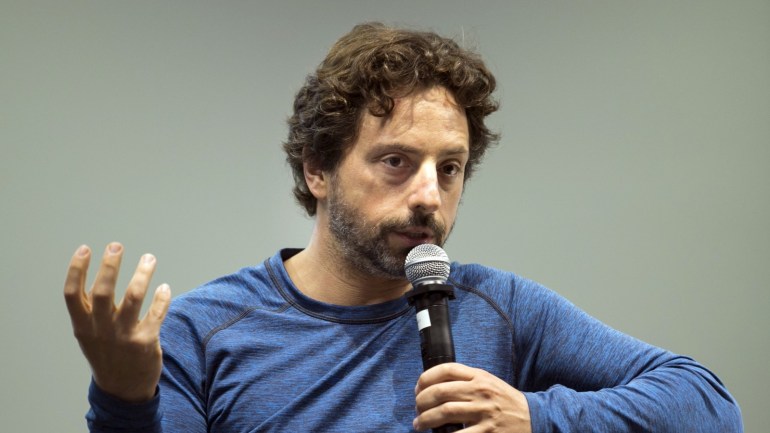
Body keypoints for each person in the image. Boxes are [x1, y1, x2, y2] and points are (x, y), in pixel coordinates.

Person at [63, 22, 743, 432]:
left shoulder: (500, 309)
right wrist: (124, 396)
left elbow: (709, 407)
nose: (428, 196)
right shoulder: (203, 331)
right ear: (319, 168)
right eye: (397, 161)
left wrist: (538, 418)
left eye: (450, 168)